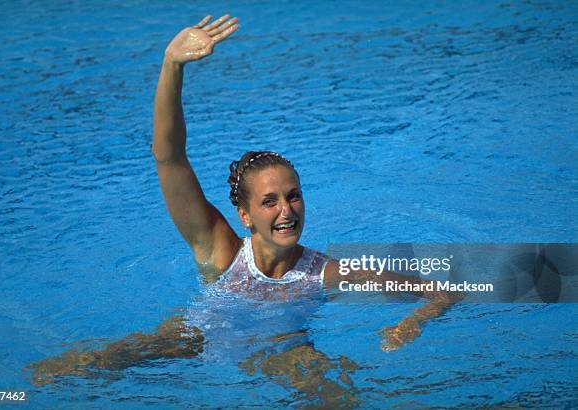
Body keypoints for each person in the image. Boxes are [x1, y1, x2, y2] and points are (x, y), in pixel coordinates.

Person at [29, 16, 461, 399]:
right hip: (193, 341)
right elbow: (169, 157)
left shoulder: (323, 273)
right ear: (245, 214)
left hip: (281, 351)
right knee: (60, 373)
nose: (286, 210)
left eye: (293, 195)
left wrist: (414, 322)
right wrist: (171, 65)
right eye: (269, 201)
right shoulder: (220, 251)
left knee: (336, 396)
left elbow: (442, 290)